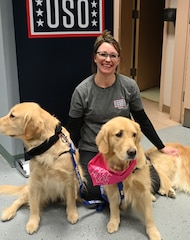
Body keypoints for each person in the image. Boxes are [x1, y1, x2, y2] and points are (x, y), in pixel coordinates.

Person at [67, 30, 179, 202]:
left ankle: (122, 188)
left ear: (118, 60)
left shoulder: (129, 86)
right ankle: (121, 189)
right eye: (103, 54)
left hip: (125, 145)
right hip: (95, 148)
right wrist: (71, 155)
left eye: (113, 55)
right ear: (95, 58)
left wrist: (161, 146)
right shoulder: (82, 91)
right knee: (89, 191)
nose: (108, 59)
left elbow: (141, 119)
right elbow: (73, 129)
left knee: (153, 184)